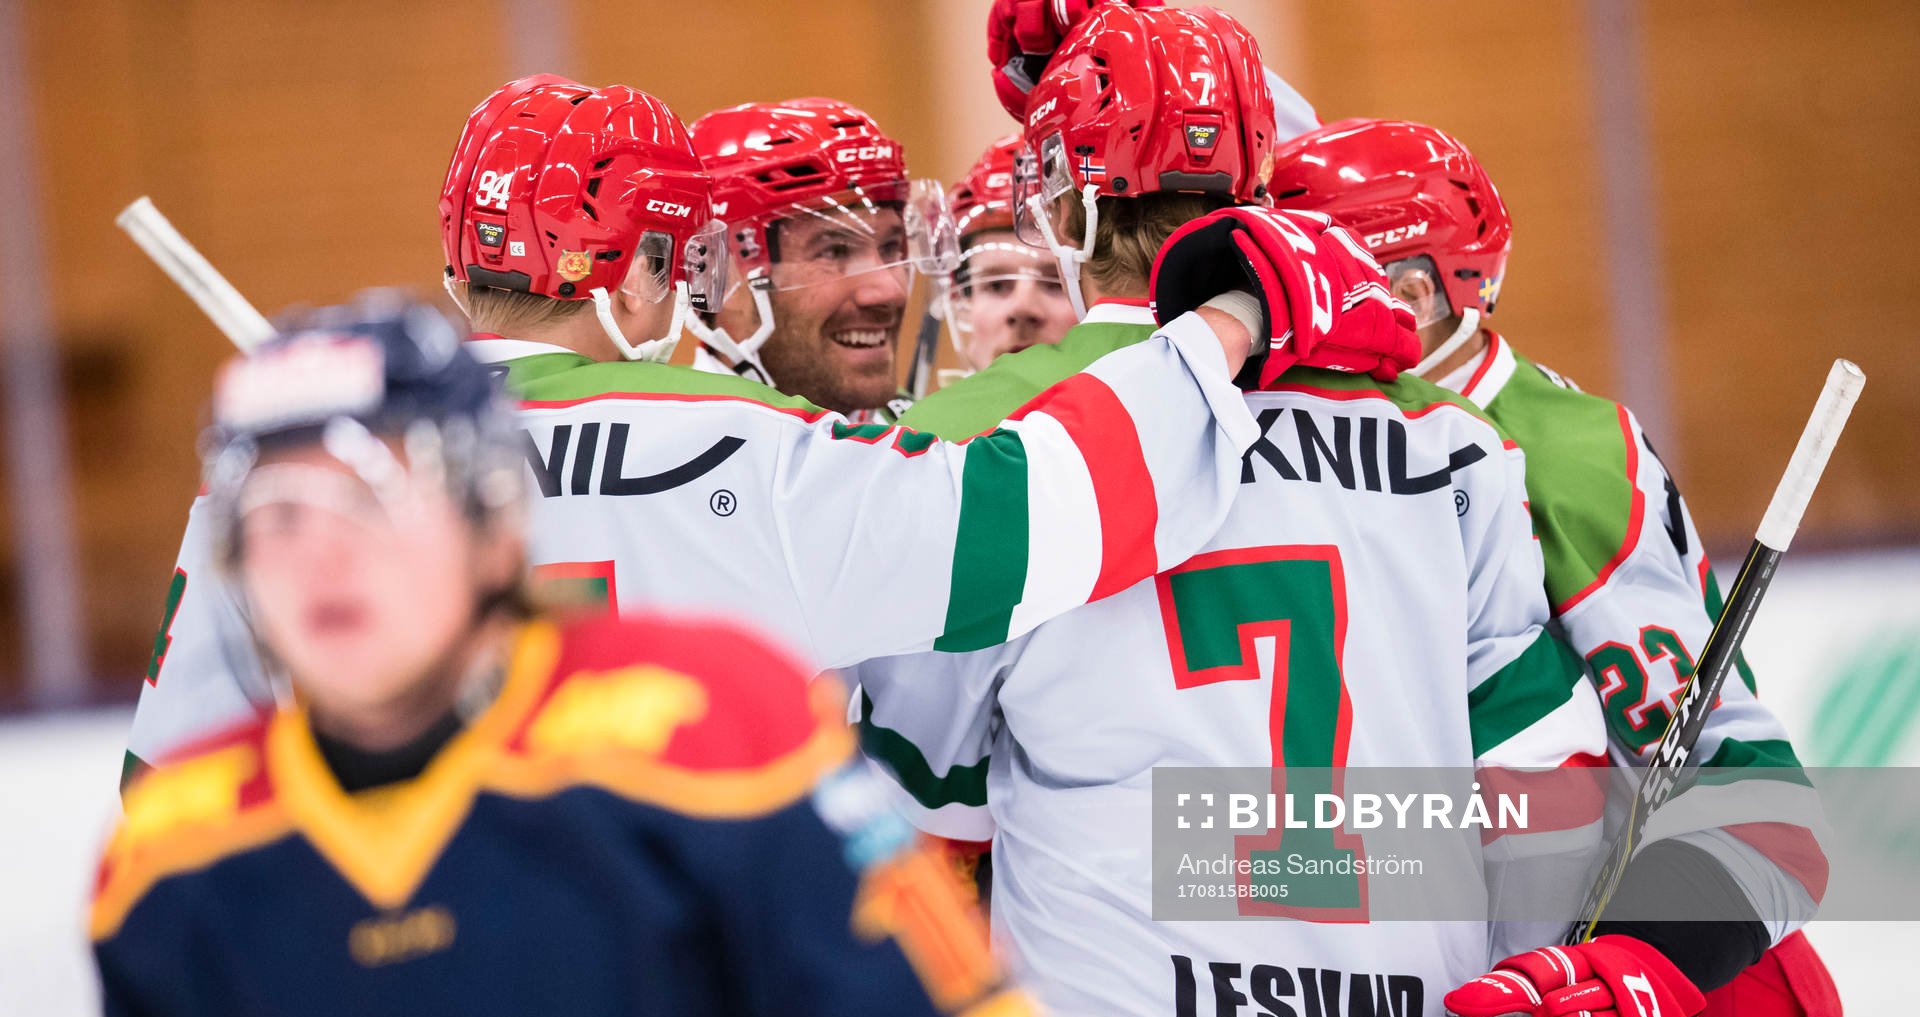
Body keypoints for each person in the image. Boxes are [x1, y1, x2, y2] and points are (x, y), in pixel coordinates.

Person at [850, 8, 1683, 1017]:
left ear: (1062, 208)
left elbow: (924, 821)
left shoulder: (990, 434)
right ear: (1255, 188)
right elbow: (1548, 805)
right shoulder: (1445, 440)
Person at [93, 300, 1049, 1017]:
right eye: (279, 513)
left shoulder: (724, 734)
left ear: (493, 526)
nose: (320, 555)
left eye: (374, 498)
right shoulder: (175, 861)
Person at [125, 72, 1418, 772]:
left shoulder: (281, 495)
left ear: (463, 277)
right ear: (644, 274)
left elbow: (167, 803)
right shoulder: (746, 457)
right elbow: (1031, 519)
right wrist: (1229, 320)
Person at [1269, 117, 1851, 1017]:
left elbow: (1752, 802)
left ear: (1438, 288)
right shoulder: (1314, 440)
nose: (1313, 313)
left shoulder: (1555, 450)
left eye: (1352, 276)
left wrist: (1627, 983)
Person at [686, 97, 951, 421]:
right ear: (715, 276)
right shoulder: (651, 464)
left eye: (890, 246)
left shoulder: (932, 441)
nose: (890, 291)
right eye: (835, 251)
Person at [940, 133, 1077, 376]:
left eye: (1057, 283)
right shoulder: (921, 415)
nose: (1022, 308)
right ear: (960, 302)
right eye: (996, 285)